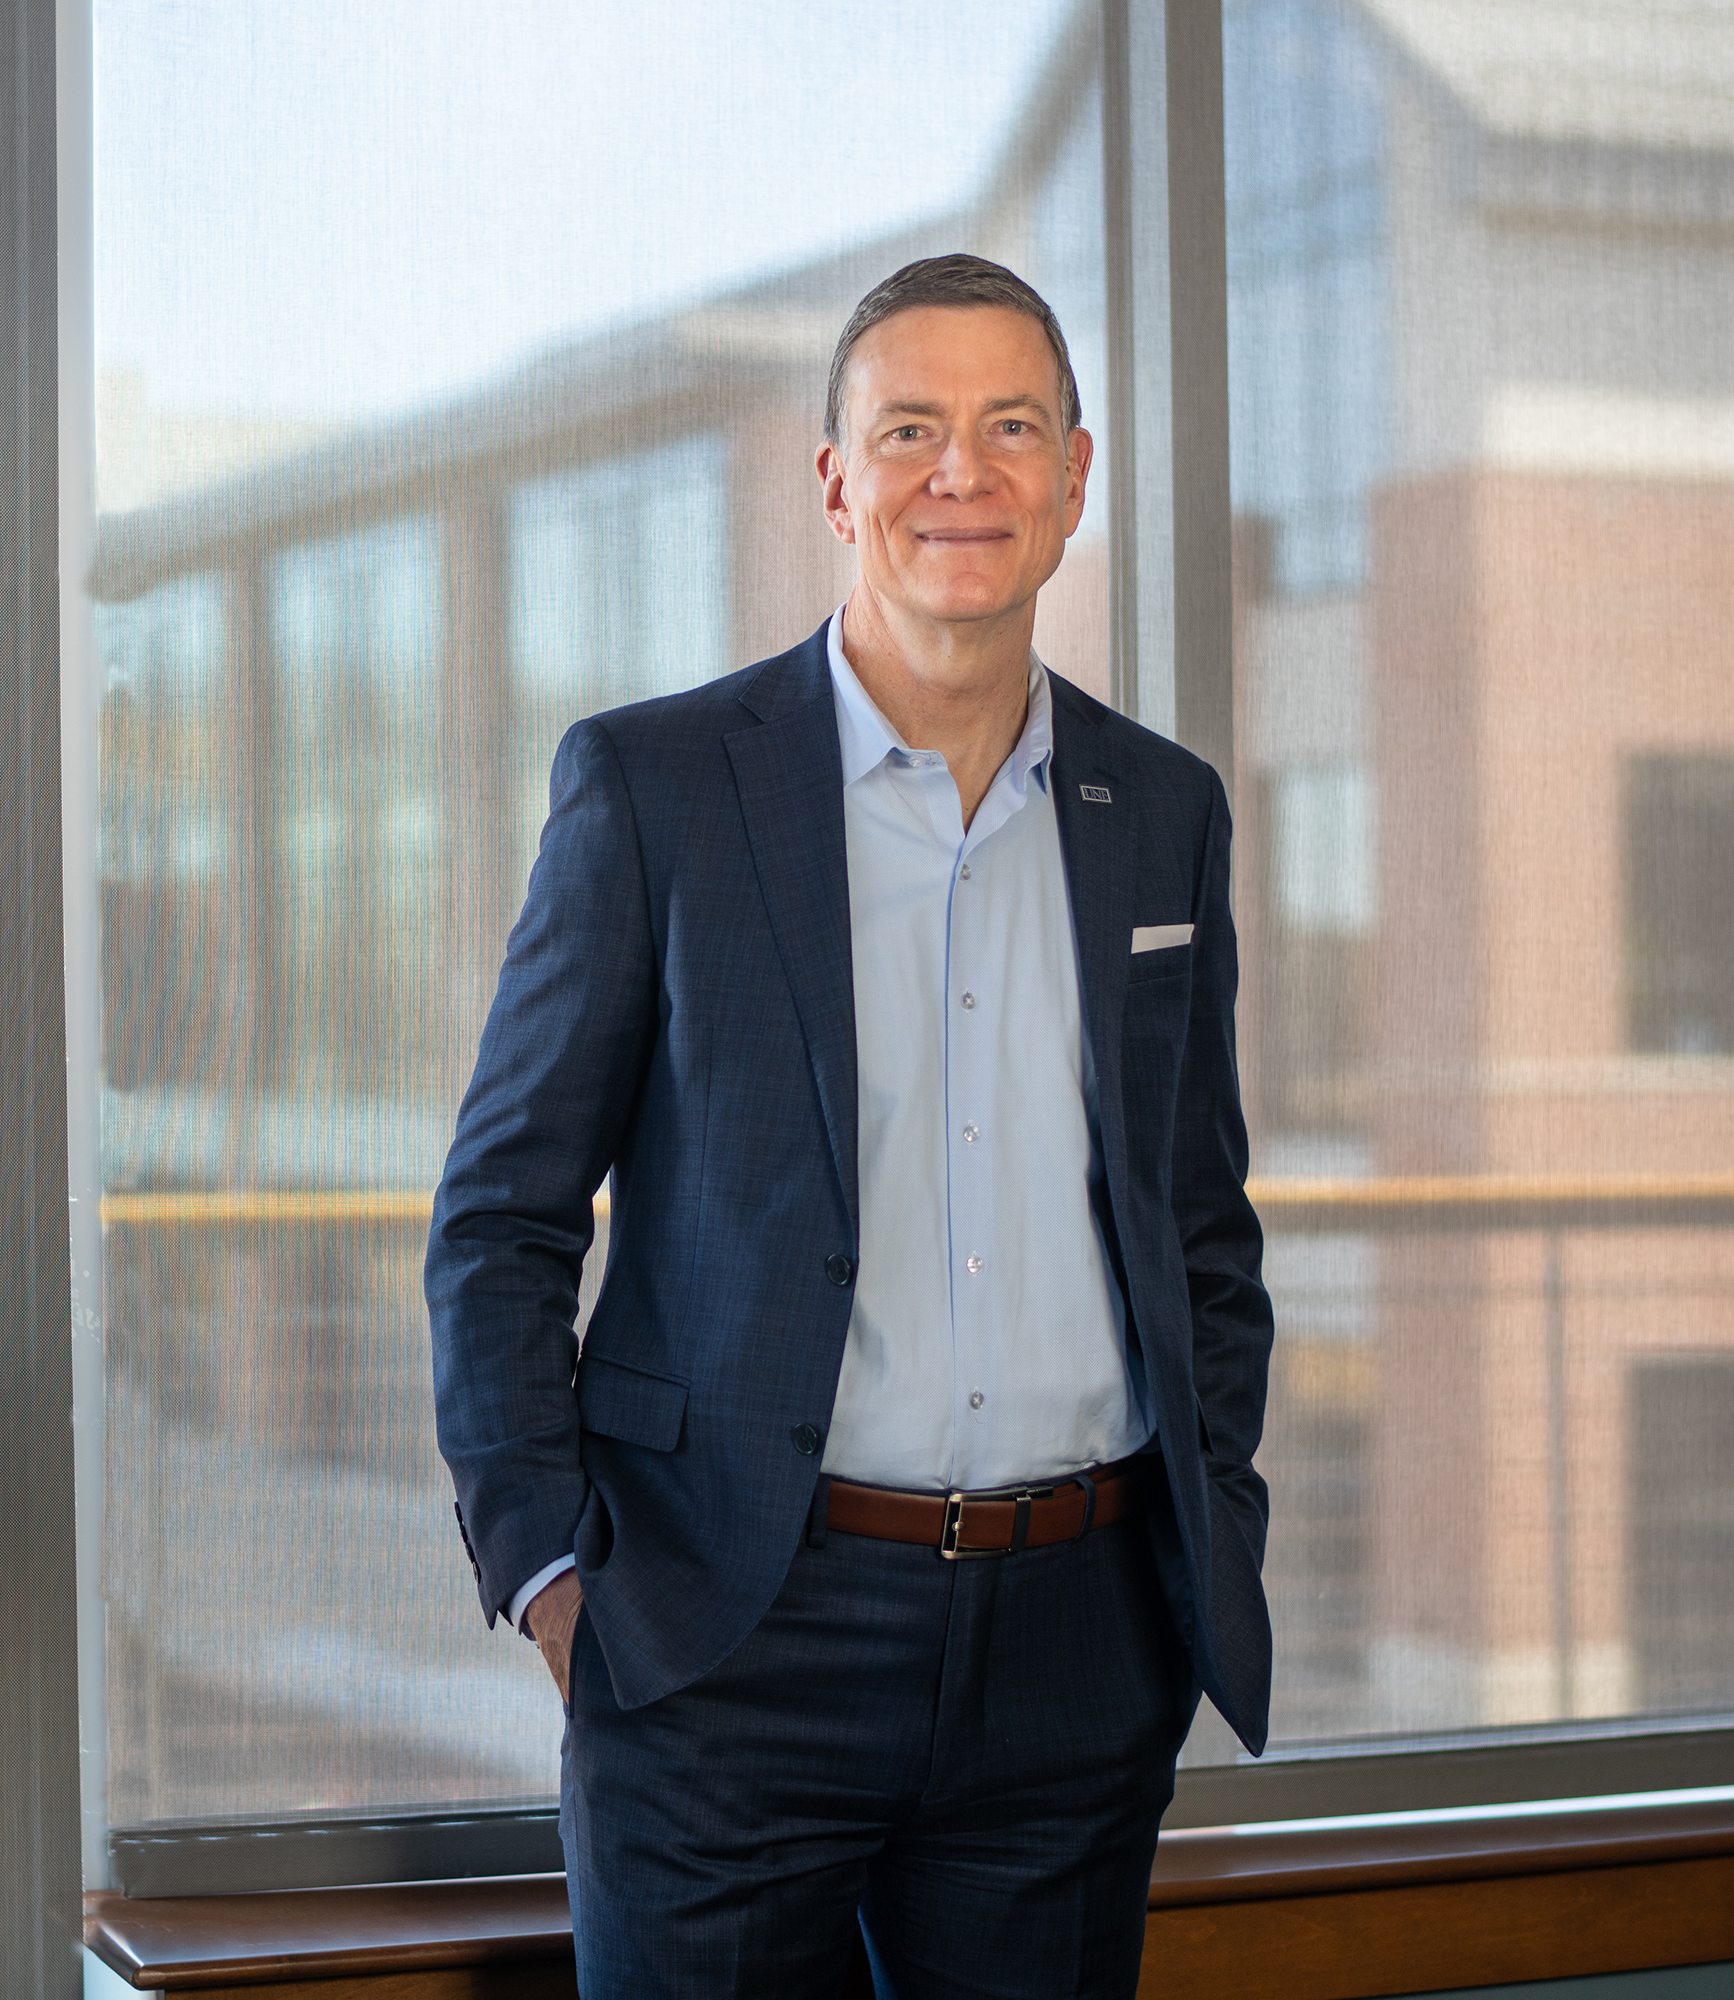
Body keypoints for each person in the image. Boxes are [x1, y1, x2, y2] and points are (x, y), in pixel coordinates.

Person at [426, 253, 1274, 1997]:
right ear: (836, 481)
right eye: (910, 430)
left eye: (1010, 428)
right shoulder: (654, 789)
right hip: (731, 1639)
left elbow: (1201, 1233)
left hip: (1075, 1654)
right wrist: (552, 1574)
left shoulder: (1162, 813)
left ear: (1074, 478)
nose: (960, 474)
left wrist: (1206, 1548)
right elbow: (502, 1218)